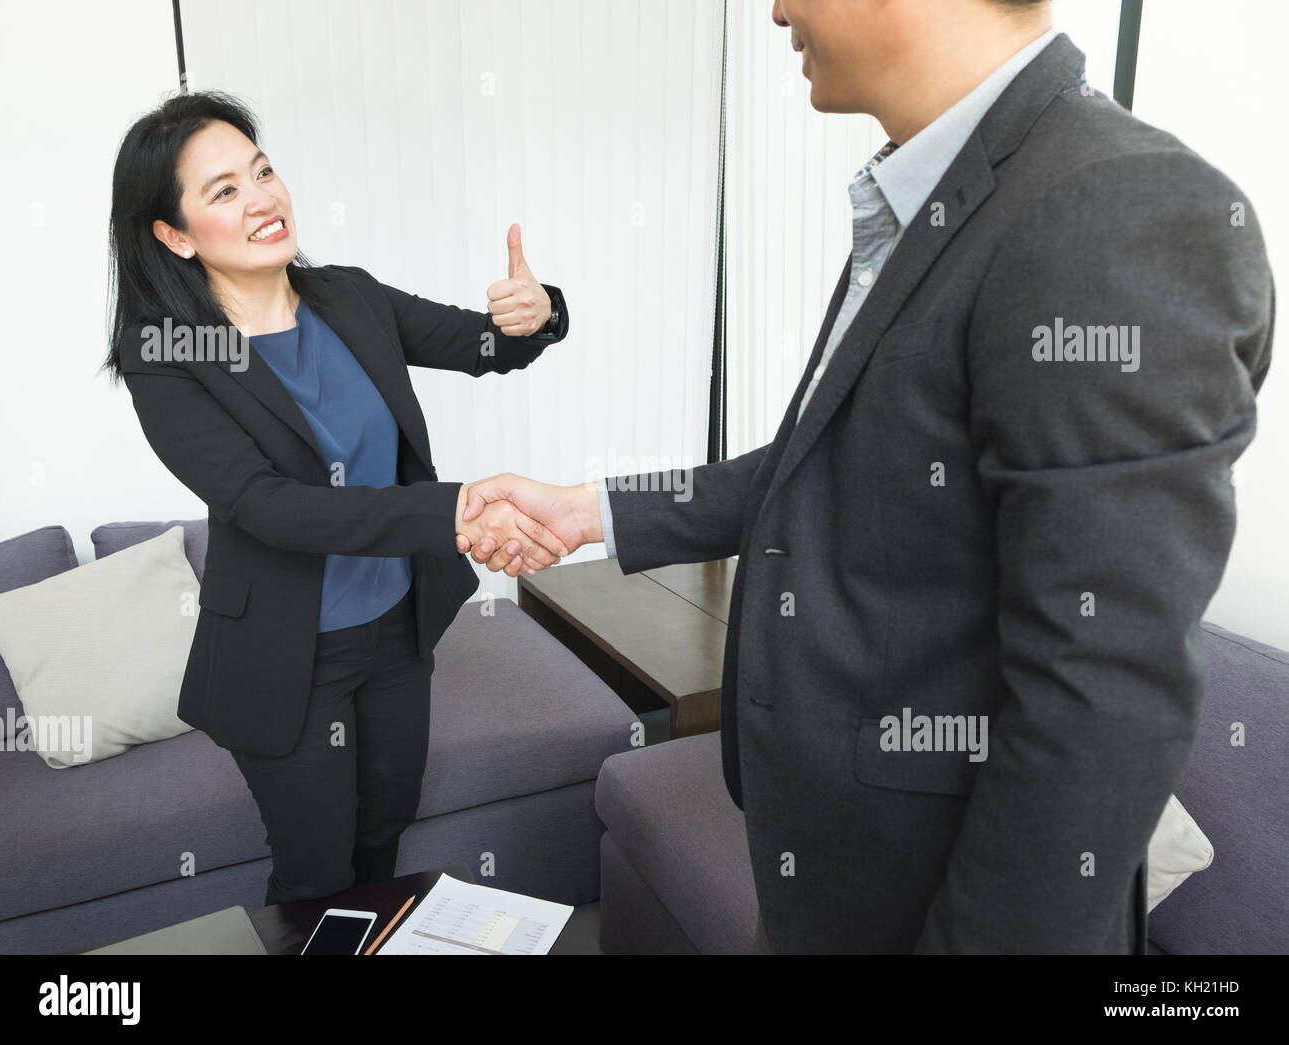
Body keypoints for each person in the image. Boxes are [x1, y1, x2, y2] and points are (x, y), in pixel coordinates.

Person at [455, 0, 1275, 952]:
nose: (774, 9)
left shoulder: (1120, 209)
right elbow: (831, 461)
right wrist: (589, 508)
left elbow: (1098, 710)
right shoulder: (941, 193)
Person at [105, 89, 571, 905]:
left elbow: (487, 345)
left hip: (397, 634)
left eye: (262, 170)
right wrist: (452, 513)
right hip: (291, 657)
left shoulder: (349, 298)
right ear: (173, 235)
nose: (262, 197)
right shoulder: (166, 354)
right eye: (224, 190)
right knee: (316, 873)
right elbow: (270, 506)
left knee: (383, 839)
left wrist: (540, 313)